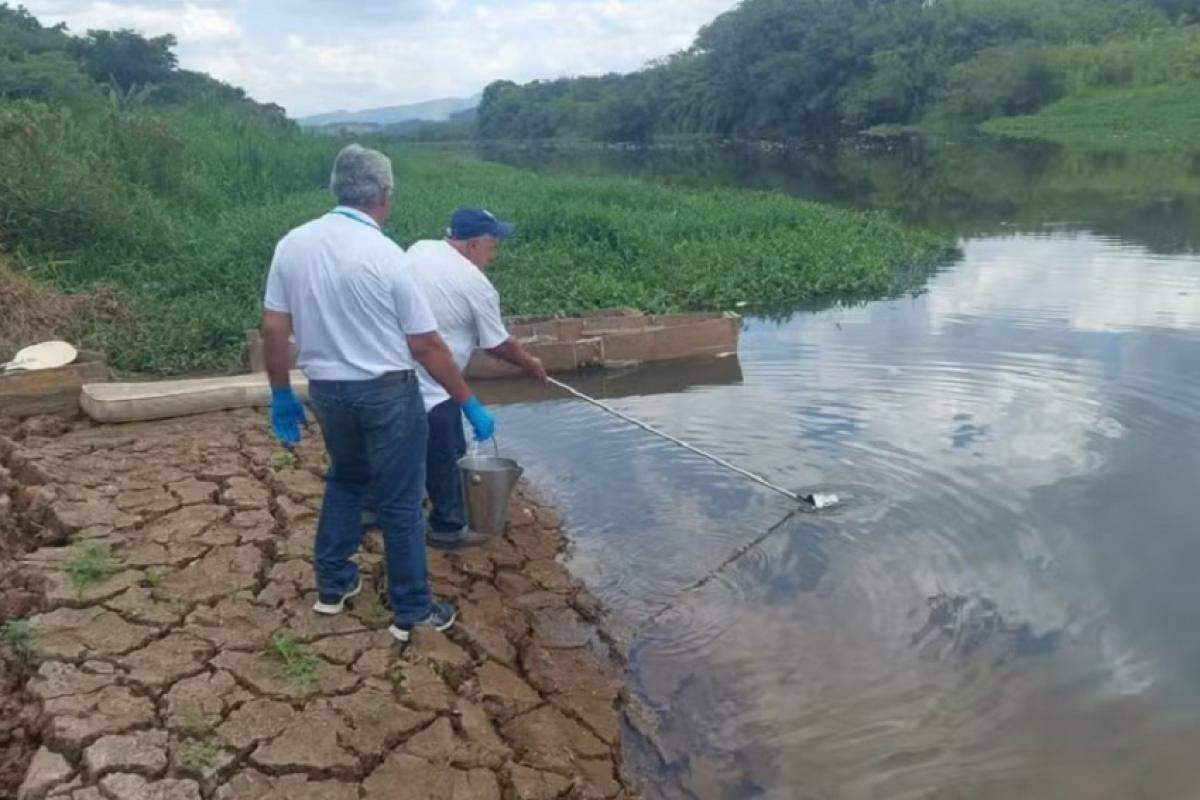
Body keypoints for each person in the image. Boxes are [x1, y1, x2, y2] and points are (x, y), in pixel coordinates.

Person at [260, 144, 495, 644]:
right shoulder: (386, 254)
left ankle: (332, 586)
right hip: (387, 393)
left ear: (336, 189)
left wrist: (281, 392)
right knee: (402, 503)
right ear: (384, 196)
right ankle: (412, 610)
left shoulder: (292, 244)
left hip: (327, 391)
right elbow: (426, 345)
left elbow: (275, 328)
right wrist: (466, 400)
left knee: (345, 480)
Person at [405, 208, 547, 548]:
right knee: (448, 453)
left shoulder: (419, 249)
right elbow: (496, 343)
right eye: (491, 247)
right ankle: (447, 528)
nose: (492, 257)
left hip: (392, 375)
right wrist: (530, 363)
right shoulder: (475, 284)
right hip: (436, 383)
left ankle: (404, 503)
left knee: (413, 447)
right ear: (472, 245)